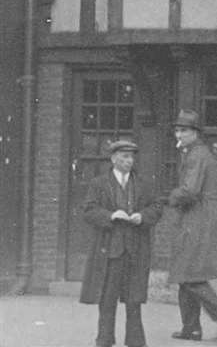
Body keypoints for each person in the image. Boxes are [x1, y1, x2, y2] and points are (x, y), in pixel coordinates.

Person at [80, 138, 162, 347]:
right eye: (125, 157)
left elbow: (156, 207)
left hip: (136, 250)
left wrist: (142, 216)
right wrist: (110, 215)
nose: (129, 161)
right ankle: (104, 340)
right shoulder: (99, 183)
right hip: (109, 251)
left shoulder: (143, 183)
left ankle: (135, 342)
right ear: (114, 158)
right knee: (107, 300)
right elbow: (88, 211)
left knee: (134, 300)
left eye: (132, 157)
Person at [167, 109, 217, 341]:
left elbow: (189, 191)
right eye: (177, 130)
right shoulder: (195, 153)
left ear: (195, 133)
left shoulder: (196, 155)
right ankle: (191, 328)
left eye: (184, 130)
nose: (179, 134)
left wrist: (171, 197)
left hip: (198, 218)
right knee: (185, 273)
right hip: (199, 216)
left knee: (189, 273)